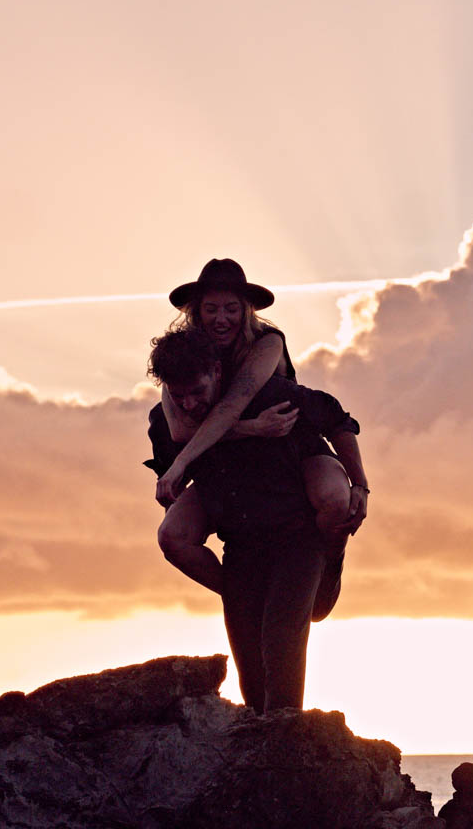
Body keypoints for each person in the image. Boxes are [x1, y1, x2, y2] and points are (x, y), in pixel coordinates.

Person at [145, 326, 361, 714]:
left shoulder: (271, 394)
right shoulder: (168, 420)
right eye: (180, 396)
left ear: (216, 371)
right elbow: (171, 473)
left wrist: (360, 486)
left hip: (298, 537)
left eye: (198, 391)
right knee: (250, 669)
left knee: (280, 644)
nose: (190, 404)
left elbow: (337, 419)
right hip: (241, 546)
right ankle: (261, 749)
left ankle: (288, 742)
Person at [153, 258, 368, 619]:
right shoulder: (184, 358)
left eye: (232, 309)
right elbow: (179, 429)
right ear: (196, 312)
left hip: (293, 441)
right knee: (171, 536)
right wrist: (252, 429)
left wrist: (360, 485)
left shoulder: (267, 343)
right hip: (230, 460)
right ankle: (242, 593)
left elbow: (234, 405)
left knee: (334, 499)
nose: (221, 319)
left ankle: (331, 562)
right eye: (211, 309)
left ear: (246, 310)